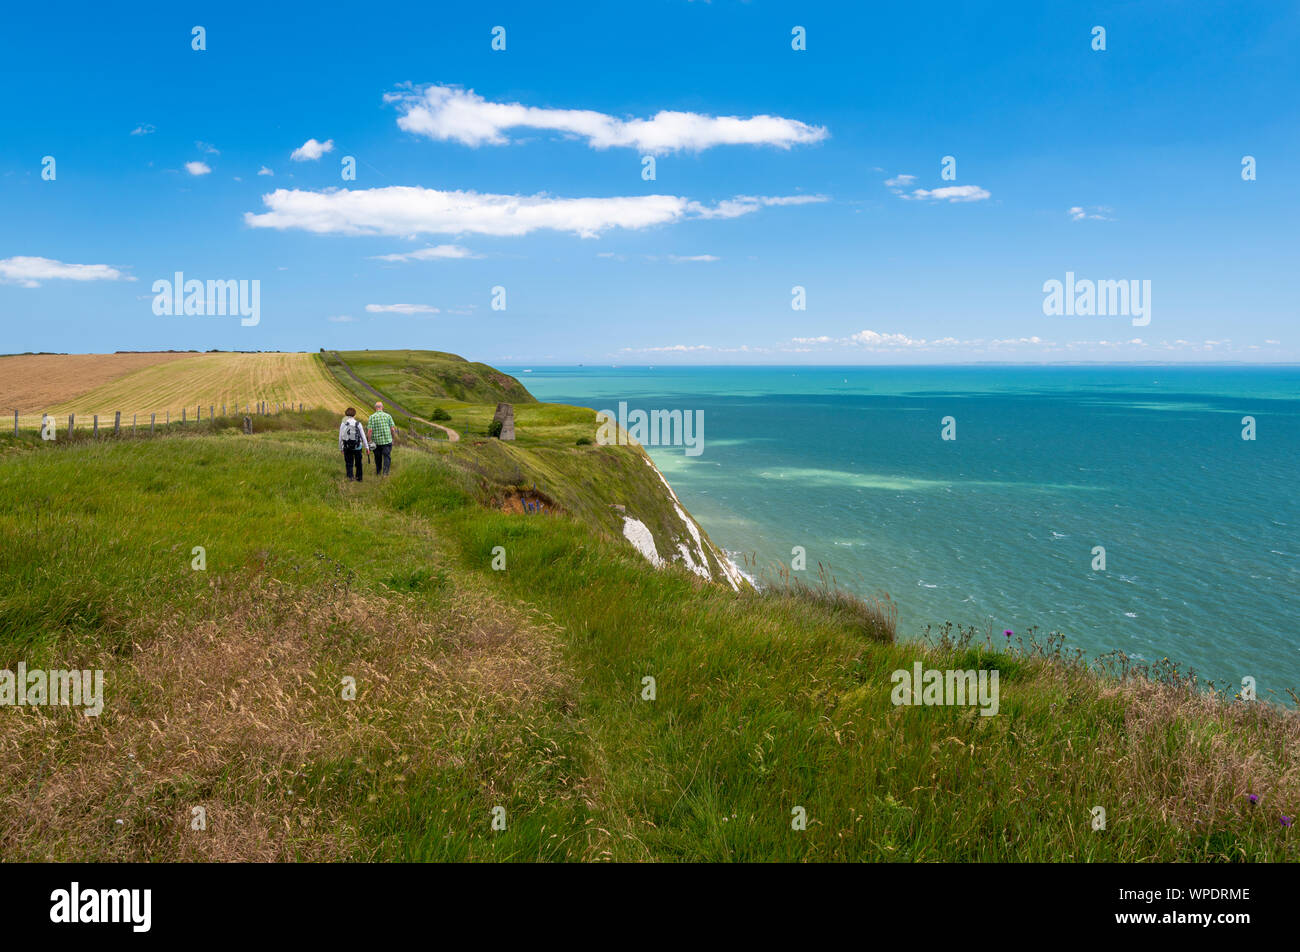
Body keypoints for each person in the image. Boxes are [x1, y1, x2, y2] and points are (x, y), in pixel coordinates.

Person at [339, 407, 370, 481]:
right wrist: (367, 447)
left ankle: (350, 477)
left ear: (346, 414)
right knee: (358, 463)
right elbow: (363, 437)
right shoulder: (358, 424)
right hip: (357, 447)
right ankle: (359, 478)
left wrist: (341, 448)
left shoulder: (343, 424)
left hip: (347, 447)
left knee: (349, 463)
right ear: (354, 414)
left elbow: (340, 437)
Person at [367, 401, 396, 476]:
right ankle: (385, 474)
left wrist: (369, 441)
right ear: (382, 407)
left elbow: (370, 430)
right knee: (387, 456)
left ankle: (378, 472)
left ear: (375, 408)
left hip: (376, 442)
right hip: (387, 441)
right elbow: (392, 429)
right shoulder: (388, 416)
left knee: (377, 458)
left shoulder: (371, 417)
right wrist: (393, 438)